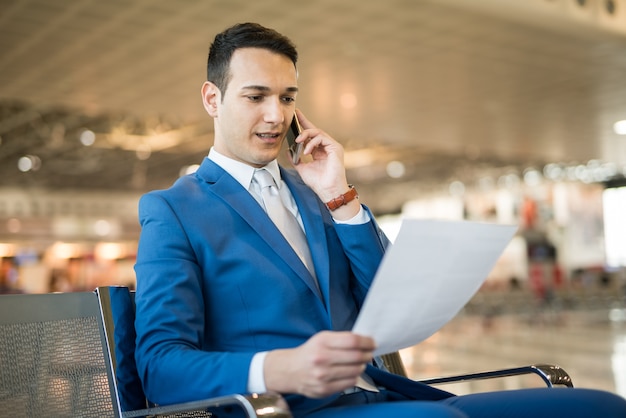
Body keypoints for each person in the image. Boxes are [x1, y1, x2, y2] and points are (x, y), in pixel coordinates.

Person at [133, 22, 626, 417]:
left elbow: (383, 295)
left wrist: (339, 197)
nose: (276, 116)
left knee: (597, 406)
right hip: (288, 407)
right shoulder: (175, 209)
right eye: (256, 96)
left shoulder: (313, 194)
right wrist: (278, 369)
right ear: (212, 99)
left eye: (287, 98)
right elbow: (160, 365)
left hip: (382, 395)